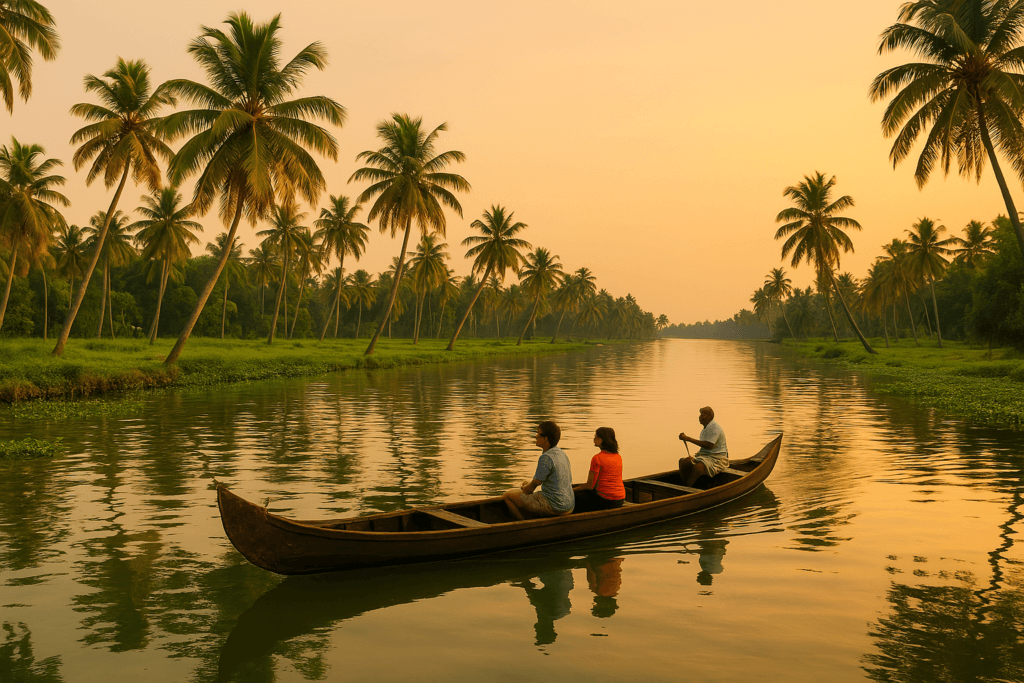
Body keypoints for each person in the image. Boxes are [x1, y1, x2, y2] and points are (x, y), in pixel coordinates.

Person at [504, 421, 574, 520]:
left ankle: (524, 525)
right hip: (569, 505)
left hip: (556, 506)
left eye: (538, 433)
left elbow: (530, 489)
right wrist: (528, 485)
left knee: (508, 495)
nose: (536, 436)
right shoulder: (561, 453)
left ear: (545, 439)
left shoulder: (546, 457)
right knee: (528, 486)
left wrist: (523, 488)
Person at [573, 427, 626, 512]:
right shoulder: (618, 457)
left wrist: (573, 490)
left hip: (605, 500)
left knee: (573, 495)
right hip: (620, 499)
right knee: (577, 489)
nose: (594, 439)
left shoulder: (597, 458)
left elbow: (590, 486)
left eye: (596, 437)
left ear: (603, 440)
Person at [678, 406, 728, 487]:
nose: (699, 417)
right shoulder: (706, 428)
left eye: (702, 415)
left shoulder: (715, 428)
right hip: (705, 455)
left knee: (699, 467)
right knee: (683, 461)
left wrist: (687, 438)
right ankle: (683, 485)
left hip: (716, 458)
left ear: (707, 417)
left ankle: (688, 488)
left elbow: (709, 445)